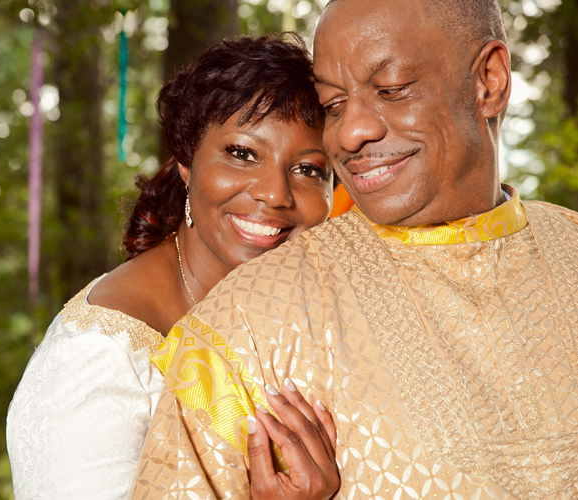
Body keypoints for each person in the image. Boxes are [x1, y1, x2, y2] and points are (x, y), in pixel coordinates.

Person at [129, 0, 578, 498]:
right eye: (334, 104)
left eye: (391, 89)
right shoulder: (242, 326)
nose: (350, 132)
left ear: (489, 81)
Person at [6, 34, 339, 500]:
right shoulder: (99, 358)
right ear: (186, 160)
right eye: (243, 153)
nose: (275, 194)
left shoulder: (309, 316)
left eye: (308, 169)